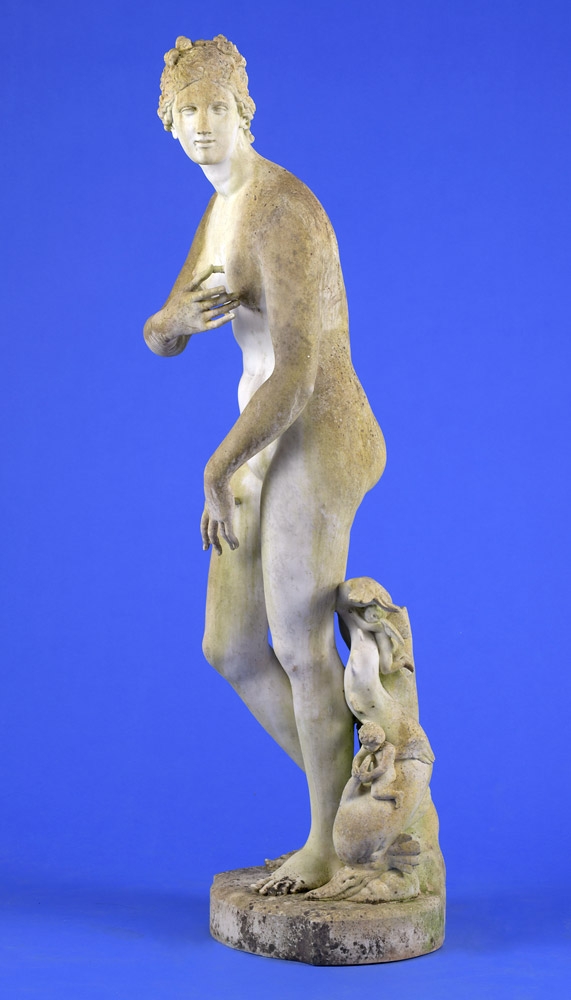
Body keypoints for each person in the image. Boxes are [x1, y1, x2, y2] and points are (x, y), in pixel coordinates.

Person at [144, 35, 386, 895]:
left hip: (317, 430)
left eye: (217, 107)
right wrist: (171, 323)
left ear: (244, 112)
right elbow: (165, 329)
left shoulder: (283, 211)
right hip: (263, 433)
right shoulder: (219, 211)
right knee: (232, 646)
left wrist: (217, 470)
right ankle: (355, 803)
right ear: (169, 122)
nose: (203, 126)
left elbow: (300, 374)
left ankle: (326, 842)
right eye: (187, 111)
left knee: (295, 642)